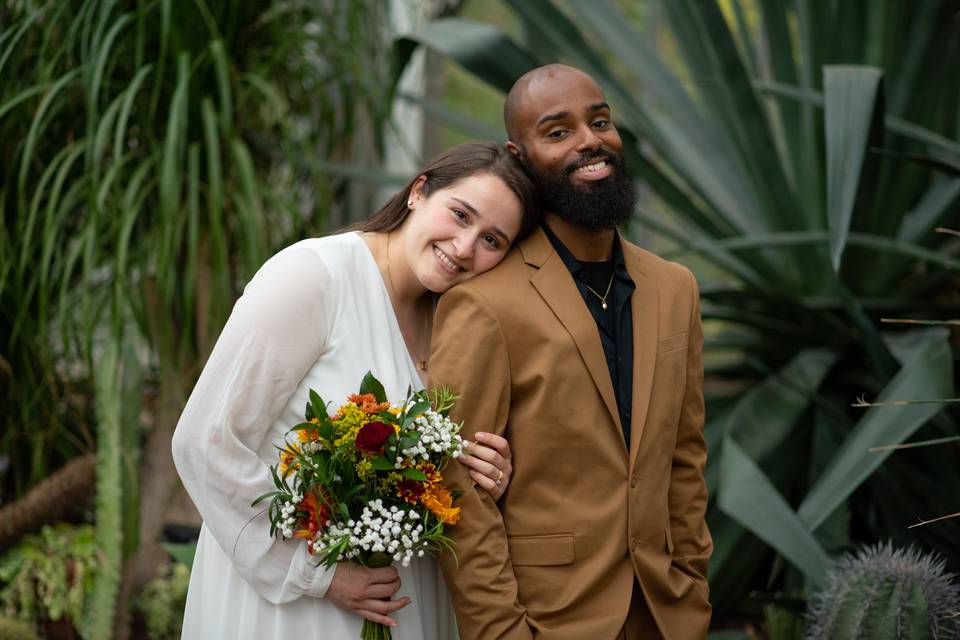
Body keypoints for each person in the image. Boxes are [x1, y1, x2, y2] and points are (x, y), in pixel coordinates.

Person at [171, 141, 539, 639]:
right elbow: (204, 440)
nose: (464, 246)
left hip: (403, 601)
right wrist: (314, 573)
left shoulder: (457, 323)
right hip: (293, 608)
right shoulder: (313, 276)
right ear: (418, 192)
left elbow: (430, 476)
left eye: (492, 240)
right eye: (459, 214)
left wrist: (485, 474)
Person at [430, 64, 713, 639]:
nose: (590, 141)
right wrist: (502, 632)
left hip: (665, 612)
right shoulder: (483, 303)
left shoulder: (675, 286)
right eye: (558, 132)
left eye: (600, 121)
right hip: (549, 620)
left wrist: (692, 588)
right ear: (521, 155)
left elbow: (685, 458)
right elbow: (458, 488)